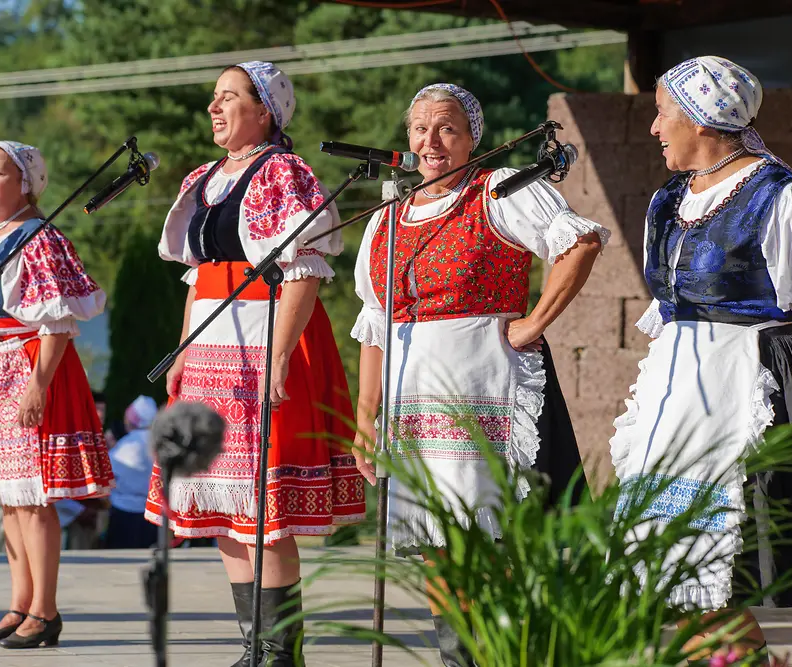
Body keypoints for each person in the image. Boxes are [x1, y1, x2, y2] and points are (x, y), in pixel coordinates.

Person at [349, 83, 607, 666]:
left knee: (491, 540)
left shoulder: (499, 191)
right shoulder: (389, 215)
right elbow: (374, 322)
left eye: (445, 128)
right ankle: (458, 660)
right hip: (413, 398)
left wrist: (533, 322)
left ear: (472, 139)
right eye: (419, 128)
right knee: (437, 543)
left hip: (483, 386)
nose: (430, 140)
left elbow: (581, 242)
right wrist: (367, 419)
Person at [610, 56, 792, 660]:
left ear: (701, 119)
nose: (654, 128)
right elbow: (669, 310)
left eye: (664, 113)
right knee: (669, 578)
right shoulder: (666, 201)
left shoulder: (782, 197)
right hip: (676, 392)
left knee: (708, 576)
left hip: (738, 389)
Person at [151, 60, 366, 666]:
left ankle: (280, 651)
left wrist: (278, 360)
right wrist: (183, 349)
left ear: (266, 110)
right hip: (214, 345)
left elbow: (303, 270)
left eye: (230, 97)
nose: (215, 107)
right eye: (213, 98)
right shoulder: (204, 177)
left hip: (264, 336)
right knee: (225, 502)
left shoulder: (283, 173)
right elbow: (197, 278)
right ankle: (254, 645)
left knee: (265, 509)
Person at [0, 140, 113, 649]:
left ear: (25, 183)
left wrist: (36, 387)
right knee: (9, 500)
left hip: (26, 368)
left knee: (35, 496)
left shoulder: (38, 238)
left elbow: (58, 324)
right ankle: (20, 602)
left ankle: (44, 609)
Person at [105, 395, 159, 549]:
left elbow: (110, 473)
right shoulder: (159, 441)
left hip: (124, 512)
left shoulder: (129, 443)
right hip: (152, 511)